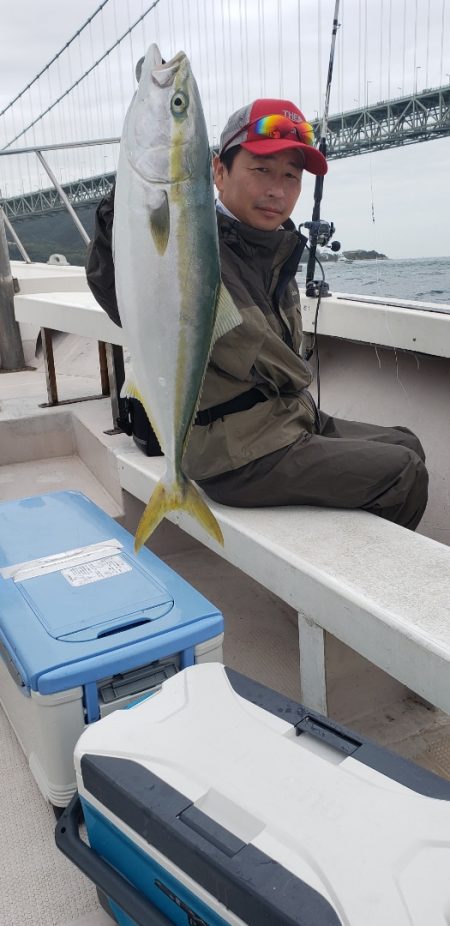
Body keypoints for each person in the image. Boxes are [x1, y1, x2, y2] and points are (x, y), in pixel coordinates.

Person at [86, 96, 428, 531]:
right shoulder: (190, 246)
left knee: (407, 443)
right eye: (262, 170)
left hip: (285, 421)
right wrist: (133, 191)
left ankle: (335, 544)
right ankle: (342, 588)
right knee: (402, 470)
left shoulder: (275, 248)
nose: (277, 191)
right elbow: (114, 282)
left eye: (291, 176)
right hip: (234, 452)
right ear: (218, 171)